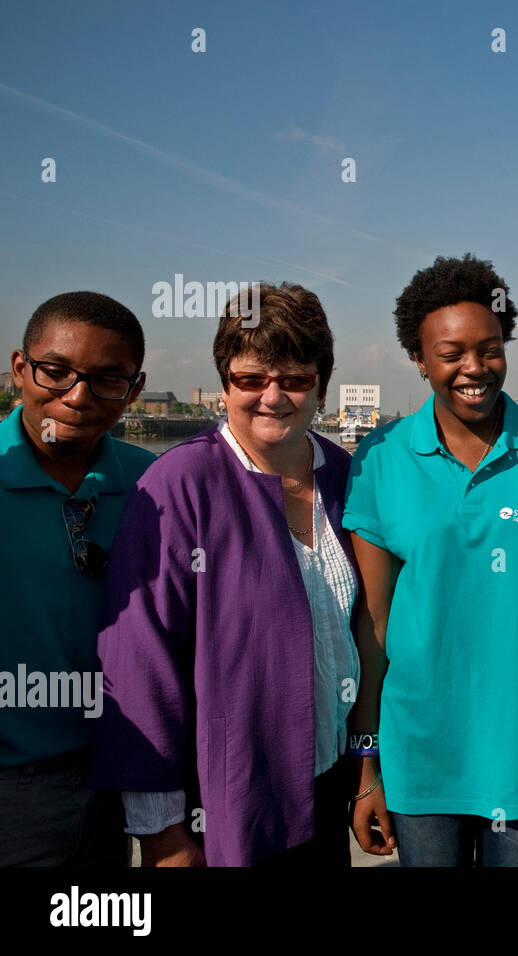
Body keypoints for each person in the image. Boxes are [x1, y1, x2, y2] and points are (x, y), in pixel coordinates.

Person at [91, 283, 359, 867]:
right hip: (226, 799)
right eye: (251, 378)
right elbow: (140, 660)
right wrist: (160, 831)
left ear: (321, 381)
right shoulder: (180, 485)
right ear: (223, 384)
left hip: (327, 786)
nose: (273, 396)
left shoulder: (345, 477)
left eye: (294, 378)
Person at [345, 254, 518, 867]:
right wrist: (367, 764)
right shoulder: (381, 457)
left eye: (490, 349)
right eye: (451, 352)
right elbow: (373, 624)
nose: (474, 369)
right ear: (419, 358)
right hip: (420, 754)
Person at [0, 292, 152, 867]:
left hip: (121, 774)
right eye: (56, 372)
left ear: (134, 389)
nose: (78, 397)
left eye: (108, 379)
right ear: (20, 368)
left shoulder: (153, 483)